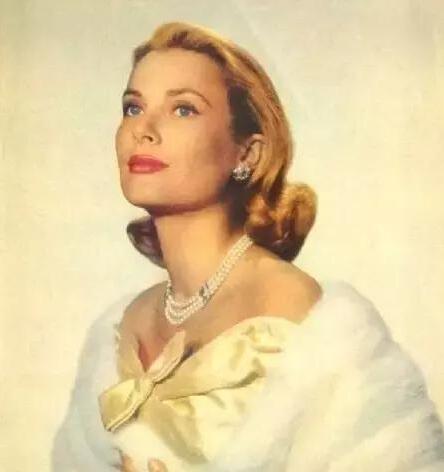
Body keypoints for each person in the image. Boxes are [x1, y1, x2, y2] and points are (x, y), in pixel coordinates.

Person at [52, 21, 444, 472]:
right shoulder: (114, 332)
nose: (144, 129)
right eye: (133, 107)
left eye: (183, 109)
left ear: (247, 153)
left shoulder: (313, 323)